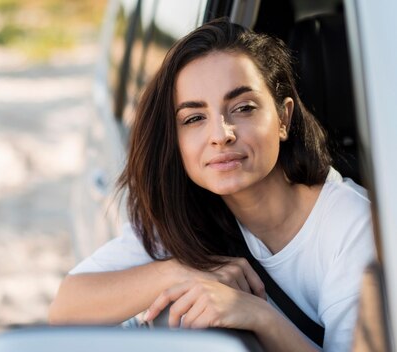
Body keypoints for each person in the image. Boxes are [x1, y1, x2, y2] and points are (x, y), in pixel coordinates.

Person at [48, 18, 375, 352]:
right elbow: (66, 310)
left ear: (283, 118)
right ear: (174, 139)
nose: (221, 135)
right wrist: (178, 273)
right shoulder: (182, 219)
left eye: (243, 108)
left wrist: (260, 317)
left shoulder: (354, 228)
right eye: (194, 118)